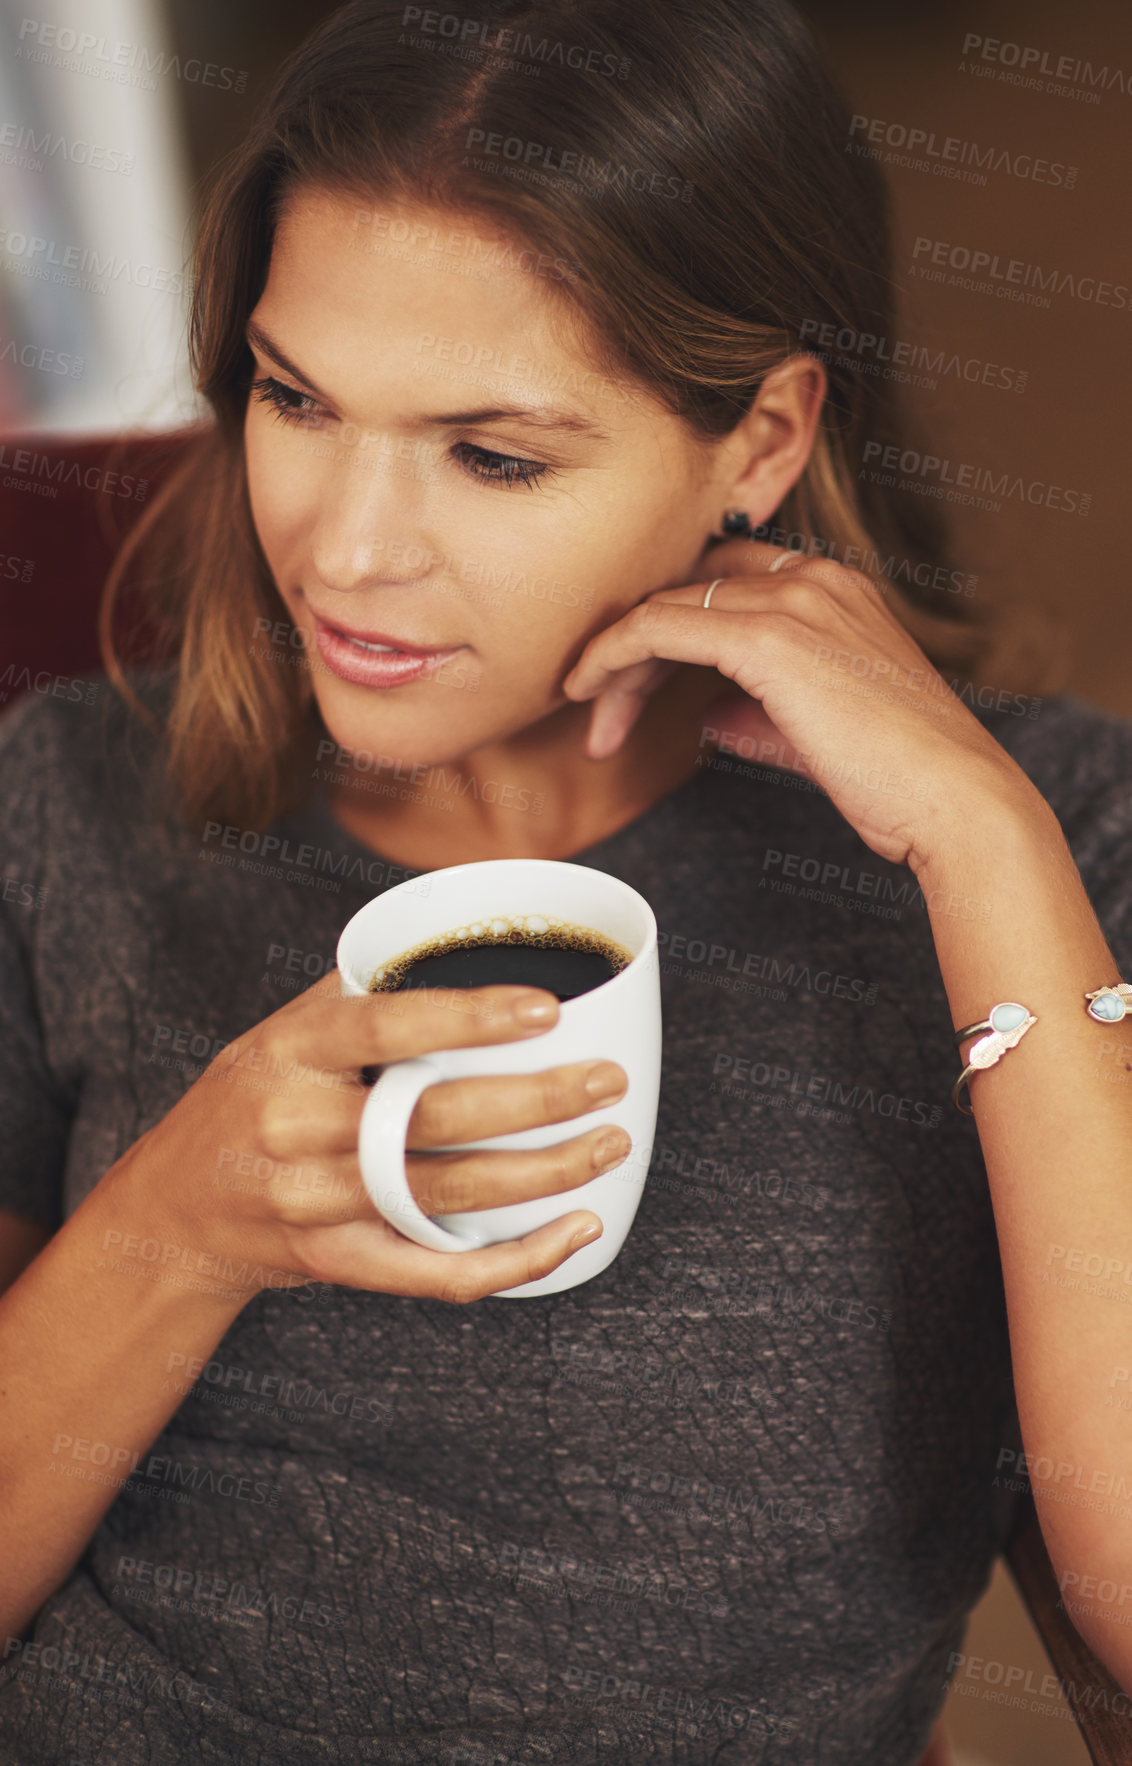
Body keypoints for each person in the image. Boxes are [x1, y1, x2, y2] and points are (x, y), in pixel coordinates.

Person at [1, 1, 1130, 1760]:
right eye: (298, 399)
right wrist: (180, 1223)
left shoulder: (1046, 840)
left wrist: (983, 849)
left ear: (757, 445)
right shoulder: (65, 804)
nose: (346, 548)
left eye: (495, 453)